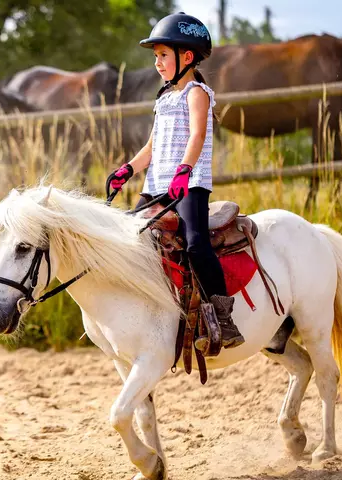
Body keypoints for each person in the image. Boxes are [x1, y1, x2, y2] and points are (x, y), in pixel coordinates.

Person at [107, 12, 244, 350]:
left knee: (196, 243)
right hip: (155, 185)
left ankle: (224, 316)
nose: (157, 63)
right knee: (125, 234)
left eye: (163, 55)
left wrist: (184, 170)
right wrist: (128, 169)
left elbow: (197, 135)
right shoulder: (164, 97)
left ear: (186, 57)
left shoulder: (197, 93)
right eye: (155, 57)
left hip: (189, 184)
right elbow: (153, 147)